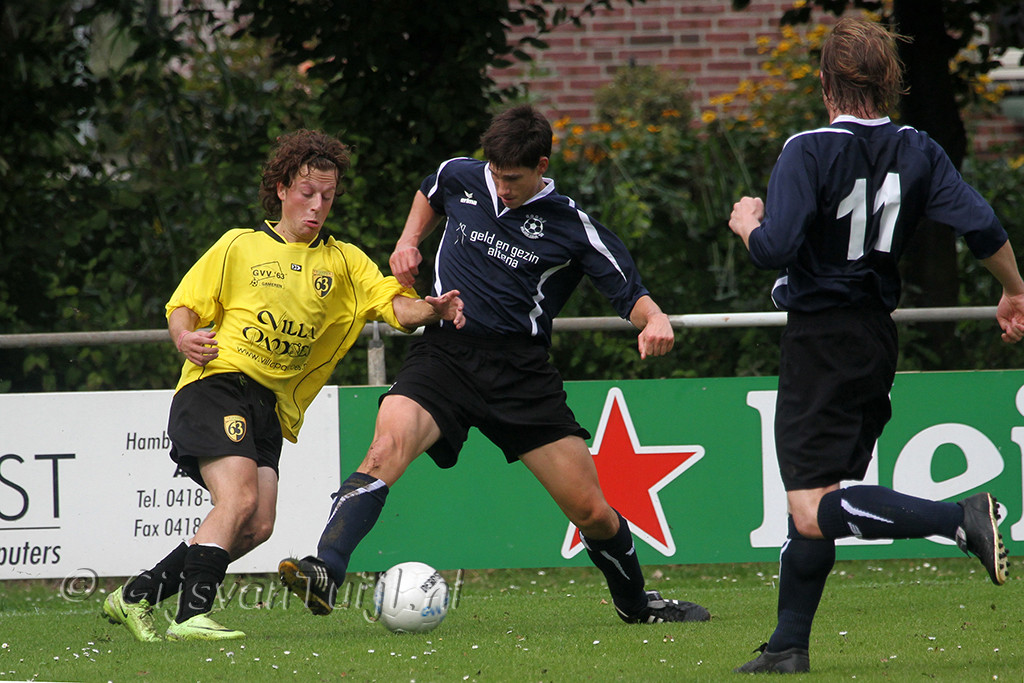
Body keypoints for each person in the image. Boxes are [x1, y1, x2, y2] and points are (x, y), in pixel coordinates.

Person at [278, 104, 711, 626]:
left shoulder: (571, 225)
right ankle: (325, 568)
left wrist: (655, 319)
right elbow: (431, 188)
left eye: (513, 179)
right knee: (383, 450)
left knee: (591, 511)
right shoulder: (462, 176)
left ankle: (637, 606)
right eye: (496, 175)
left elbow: (628, 290)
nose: (501, 188)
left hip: (519, 373)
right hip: (444, 354)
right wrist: (408, 241)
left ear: (541, 166)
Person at [727, 16, 1024, 674]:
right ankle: (787, 645)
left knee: (813, 506)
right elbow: (981, 224)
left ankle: (960, 518)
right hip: (874, 339)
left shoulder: (807, 149)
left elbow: (774, 248)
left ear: (825, 83)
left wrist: (747, 222)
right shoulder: (918, 148)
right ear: (890, 83)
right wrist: (1014, 290)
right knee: (818, 499)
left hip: (820, 340)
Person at [102, 129, 465, 642]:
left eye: (328, 197)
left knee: (257, 525)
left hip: (269, 407)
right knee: (238, 499)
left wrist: (432, 309)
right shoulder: (239, 245)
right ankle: (189, 617)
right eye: (307, 193)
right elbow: (183, 304)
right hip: (216, 384)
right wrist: (184, 337)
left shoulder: (344, 262)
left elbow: (395, 308)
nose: (317, 207)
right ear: (280, 189)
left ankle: (135, 595)